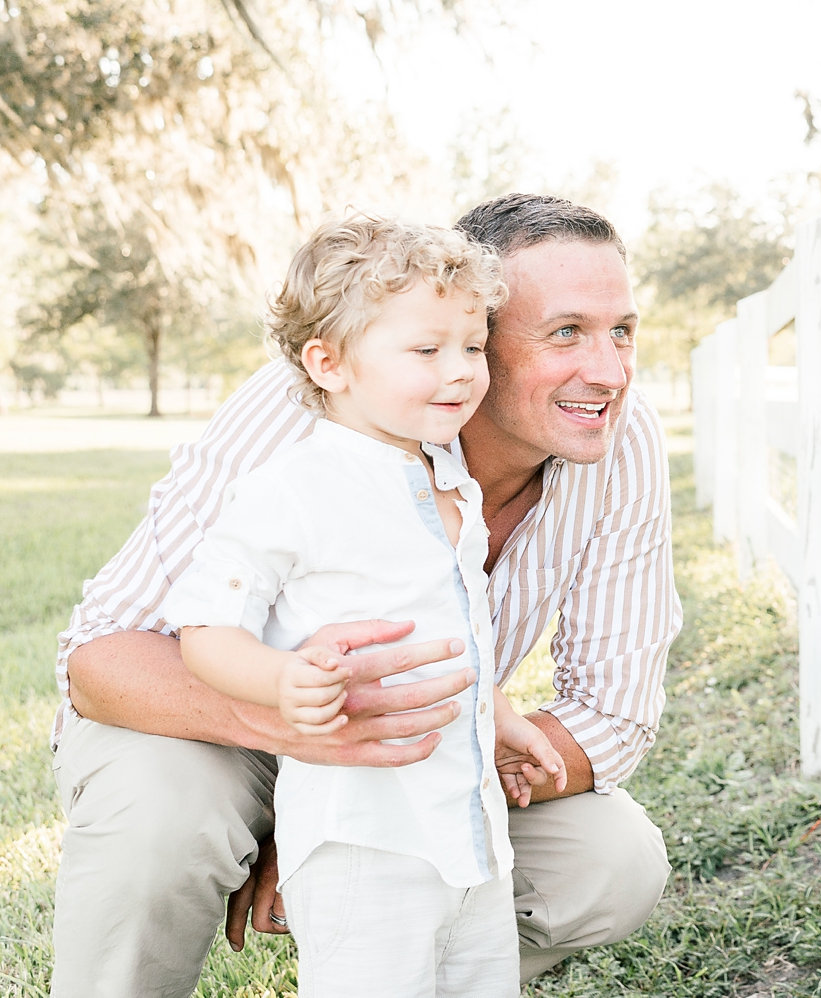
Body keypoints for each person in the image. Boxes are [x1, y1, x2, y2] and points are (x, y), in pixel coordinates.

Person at [50, 194, 682, 997]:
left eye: (621, 331)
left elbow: (615, 713)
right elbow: (99, 658)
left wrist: (389, 794)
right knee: (160, 818)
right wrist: (317, 782)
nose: (610, 371)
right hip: (212, 724)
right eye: (566, 333)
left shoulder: (617, 436)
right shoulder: (311, 413)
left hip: (419, 749)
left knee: (610, 860)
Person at [160, 213, 566, 996]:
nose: (461, 373)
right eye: (426, 350)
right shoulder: (293, 488)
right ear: (329, 363)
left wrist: (500, 711)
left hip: (468, 830)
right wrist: (282, 682)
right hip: (365, 838)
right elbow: (205, 627)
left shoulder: (450, 480)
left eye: (474, 347)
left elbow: (452, 629)